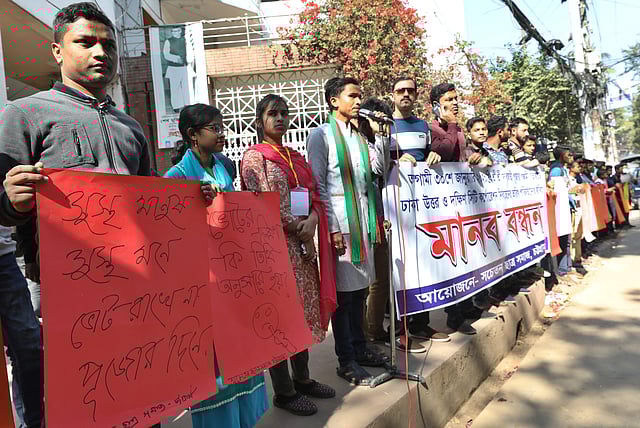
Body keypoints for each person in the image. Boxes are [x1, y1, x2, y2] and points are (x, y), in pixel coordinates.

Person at [0, 4, 152, 426]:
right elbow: (3, 206)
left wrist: (195, 200)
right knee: (63, 394)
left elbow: (153, 205)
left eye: (108, 43)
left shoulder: (131, 127)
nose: (100, 51)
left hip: (131, 285)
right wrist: (10, 199)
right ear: (57, 51)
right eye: (85, 42)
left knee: (129, 386)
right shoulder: (25, 114)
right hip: (56, 289)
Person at [164, 104, 269, 428]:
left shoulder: (224, 166)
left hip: (232, 278)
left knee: (239, 355)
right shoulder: (176, 177)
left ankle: (245, 421)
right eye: (214, 127)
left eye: (222, 125)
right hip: (202, 286)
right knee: (213, 366)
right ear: (193, 135)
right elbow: (168, 236)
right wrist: (190, 205)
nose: (222, 132)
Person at [240, 94, 337, 416]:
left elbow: (307, 196)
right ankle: (284, 391)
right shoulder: (256, 158)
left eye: (284, 113)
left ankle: (304, 379)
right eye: (272, 113)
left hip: (300, 246)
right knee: (280, 317)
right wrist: (299, 227)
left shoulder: (294, 158)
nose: (279, 118)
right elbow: (261, 200)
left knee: (302, 313)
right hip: (274, 250)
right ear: (259, 121)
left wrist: (310, 221)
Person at [307, 77, 387, 386]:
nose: (357, 102)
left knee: (362, 290)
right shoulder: (321, 136)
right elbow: (318, 185)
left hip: (363, 221)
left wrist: (378, 136)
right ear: (332, 101)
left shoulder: (359, 135)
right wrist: (334, 228)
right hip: (340, 221)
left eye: (359, 96)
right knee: (345, 295)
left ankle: (361, 346)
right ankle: (347, 358)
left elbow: (378, 170)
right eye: (352, 96)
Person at [386, 76, 450, 348]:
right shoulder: (383, 126)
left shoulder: (423, 126)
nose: (406, 95)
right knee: (400, 269)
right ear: (392, 95)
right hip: (394, 207)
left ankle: (421, 325)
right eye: (401, 90)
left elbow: (426, 156)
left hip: (421, 206)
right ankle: (399, 329)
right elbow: (377, 161)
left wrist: (433, 157)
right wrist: (395, 160)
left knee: (422, 263)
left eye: (411, 91)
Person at [429, 83, 466, 162]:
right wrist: (452, 123)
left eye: (456, 98)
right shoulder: (430, 130)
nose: (455, 102)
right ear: (436, 105)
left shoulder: (459, 130)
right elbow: (443, 156)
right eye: (449, 100)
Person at [163, 26, 193, 112]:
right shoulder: (168, 41)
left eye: (177, 31)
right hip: (173, 68)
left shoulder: (186, 40)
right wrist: (176, 59)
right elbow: (166, 54)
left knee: (186, 87)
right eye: (173, 31)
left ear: (180, 31)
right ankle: (176, 106)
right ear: (171, 32)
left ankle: (188, 104)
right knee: (175, 87)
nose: (175, 33)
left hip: (185, 67)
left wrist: (188, 59)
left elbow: (190, 51)